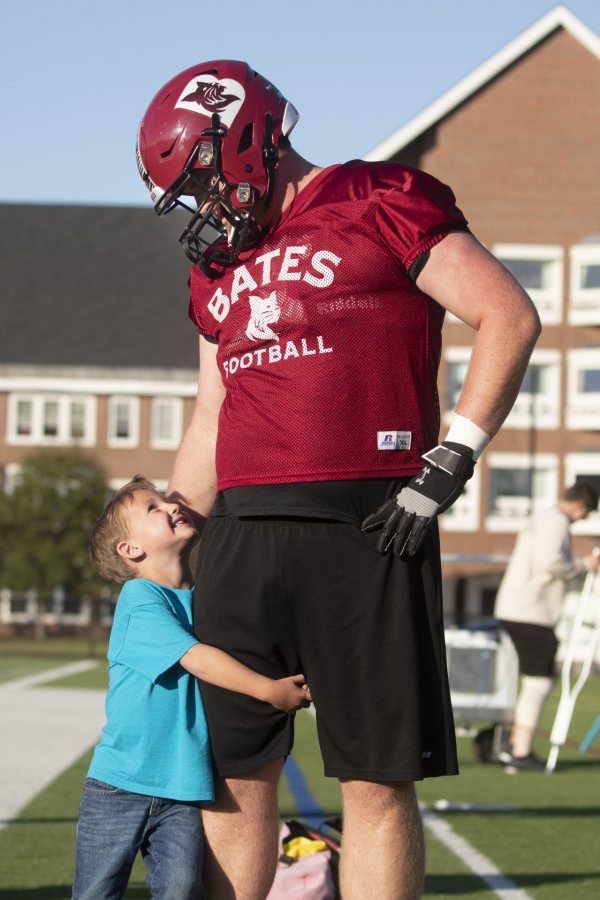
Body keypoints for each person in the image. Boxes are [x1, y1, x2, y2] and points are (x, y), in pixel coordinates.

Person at [135, 60, 541, 900]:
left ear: (246, 142)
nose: (203, 209)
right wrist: (162, 553)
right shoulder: (216, 268)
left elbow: (507, 311)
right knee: (233, 778)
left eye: (203, 183)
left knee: (375, 780)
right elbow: (212, 413)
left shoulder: (376, 196)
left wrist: (451, 458)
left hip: (370, 518)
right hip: (242, 532)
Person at [72, 475, 310, 900]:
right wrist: (269, 691)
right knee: (95, 893)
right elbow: (196, 658)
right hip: (121, 785)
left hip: (183, 790)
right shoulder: (140, 596)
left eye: (166, 500)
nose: (171, 507)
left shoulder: (204, 599)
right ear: (131, 550)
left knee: (182, 890)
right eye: (154, 509)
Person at [494, 480, 599, 772]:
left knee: (534, 680)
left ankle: (514, 744)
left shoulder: (544, 517)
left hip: (521, 608)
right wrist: (584, 566)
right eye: (585, 513)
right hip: (531, 611)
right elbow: (550, 562)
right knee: (539, 681)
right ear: (581, 506)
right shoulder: (556, 522)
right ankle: (520, 751)